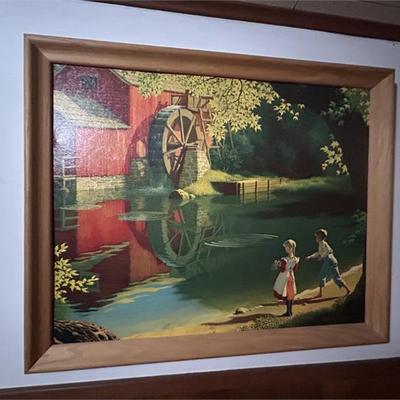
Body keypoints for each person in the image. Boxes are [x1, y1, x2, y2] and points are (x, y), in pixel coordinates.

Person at [306, 229, 351, 298]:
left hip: (330, 260)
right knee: (325, 276)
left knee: (331, 277)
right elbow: (319, 253)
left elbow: (327, 251)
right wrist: (310, 257)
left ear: (320, 237)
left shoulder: (323, 243)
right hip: (329, 260)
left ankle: (348, 290)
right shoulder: (321, 244)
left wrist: (322, 257)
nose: (315, 238)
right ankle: (320, 293)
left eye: (316, 237)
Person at [272, 239, 300, 317]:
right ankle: (290, 311)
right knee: (290, 294)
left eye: (286, 247)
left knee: (287, 294)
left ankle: (288, 312)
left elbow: (282, 269)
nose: (285, 249)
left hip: (285, 277)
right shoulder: (296, 259)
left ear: (290, 248)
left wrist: (278, 265)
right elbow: (295, 269)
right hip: (291, 276)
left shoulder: (284, 259)